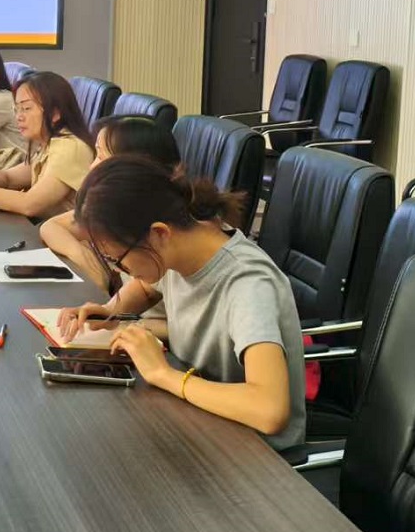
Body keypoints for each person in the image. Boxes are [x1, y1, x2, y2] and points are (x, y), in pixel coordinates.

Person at [56, 157, 305, 451]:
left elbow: (269, 410)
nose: (121, 270)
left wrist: (163, 374)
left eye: (118, 259)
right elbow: (147, 287)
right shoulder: (183, 245)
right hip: (198, 420)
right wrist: (112, 310)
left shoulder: (247, 284)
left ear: (159, 233)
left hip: (253, 453)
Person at [39, 115, 180, 292]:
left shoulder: (163, 235)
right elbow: (51, 227)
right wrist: (85, 259)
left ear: (129, 168)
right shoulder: (119, 208)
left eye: (101, 157)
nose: (91, 167)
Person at [0, 71, 94, 218]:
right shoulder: (48, 142)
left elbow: (30, 204)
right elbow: (8, 178)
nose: (19, 117)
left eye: (26, 108)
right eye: (17, 109)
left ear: (55, 113)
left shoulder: (70, 147)